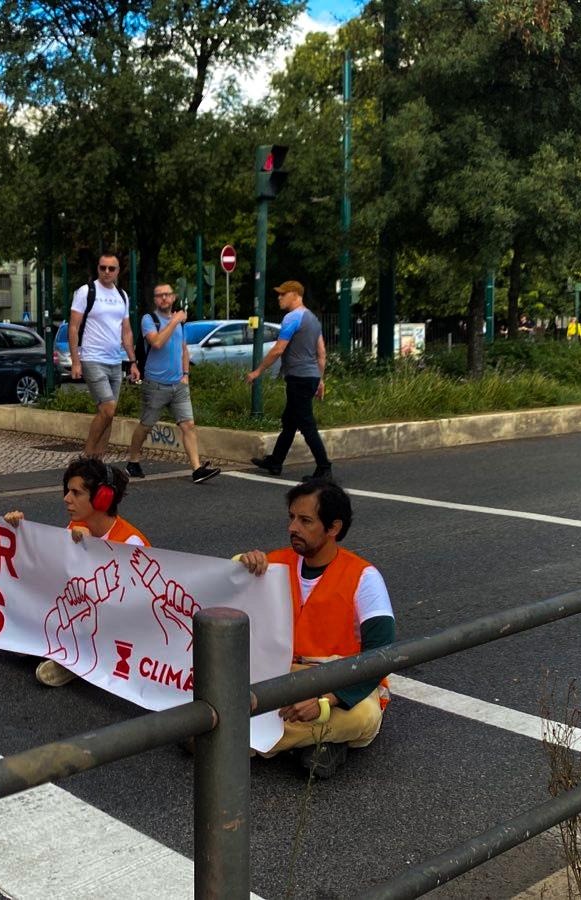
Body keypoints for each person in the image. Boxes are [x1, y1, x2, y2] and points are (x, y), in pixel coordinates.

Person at [236, 479, 395, 778]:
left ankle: (239, 743)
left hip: (340, 679)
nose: (292, 527)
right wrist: (242, 565)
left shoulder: (364, 577)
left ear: (333, 528)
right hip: (283, 674)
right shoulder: (273, 563)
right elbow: (223, 599)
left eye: (305, 520)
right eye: (291, 517)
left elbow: (381, 654)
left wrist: (329, 700)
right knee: (230, 687)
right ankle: (319, 741)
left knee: (365, 716)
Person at [5, 456, 149, 687]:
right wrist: (20, 532)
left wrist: (94, 553)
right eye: (68, 491)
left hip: (120, 629)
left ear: (102, 499)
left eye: (76, 493)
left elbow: (131, 608)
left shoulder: (131, 543)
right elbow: (51, 570)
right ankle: (64, 652)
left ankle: (77, 659)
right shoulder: (74, 528)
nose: (66, 499)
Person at [125, 284, 220, 484]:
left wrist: (185, 374)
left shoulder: (179, 324)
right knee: (146, 426)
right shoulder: (148, 320)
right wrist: (175, 320)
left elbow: (183, 349)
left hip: (178, 385)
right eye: (159, 296)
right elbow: (157, 342)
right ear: (155, 299)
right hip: (155, 384)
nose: (164, 299)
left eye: (167, 295)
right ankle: (133, 461)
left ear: (174, 297)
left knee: (188, 425)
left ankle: (197, 469)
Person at [247, 280, 332, 481]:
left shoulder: (292, 318)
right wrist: (319, 380)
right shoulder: (313, 319)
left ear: (295, 294)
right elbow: (322, 353)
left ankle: (324, 468)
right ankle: (275, 461)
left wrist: (258, 371)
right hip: (309, 377)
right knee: (289, 422)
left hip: (298, 378)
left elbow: (278, 349)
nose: (279, 297)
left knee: (306, 423)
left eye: (282, 294)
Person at [68, 254, 140, 457]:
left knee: (109, 415)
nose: (106, 272)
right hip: (92, 358)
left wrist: (133, 362)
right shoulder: (86, 291)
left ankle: (97, 462)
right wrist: (76, 361)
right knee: (108, 409)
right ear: (98, 269)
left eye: (111, 268)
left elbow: (126, 331)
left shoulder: (122, 295)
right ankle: (86, 455)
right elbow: (74, 327)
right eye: (103, 268)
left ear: (118, 271)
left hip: (115, 361)